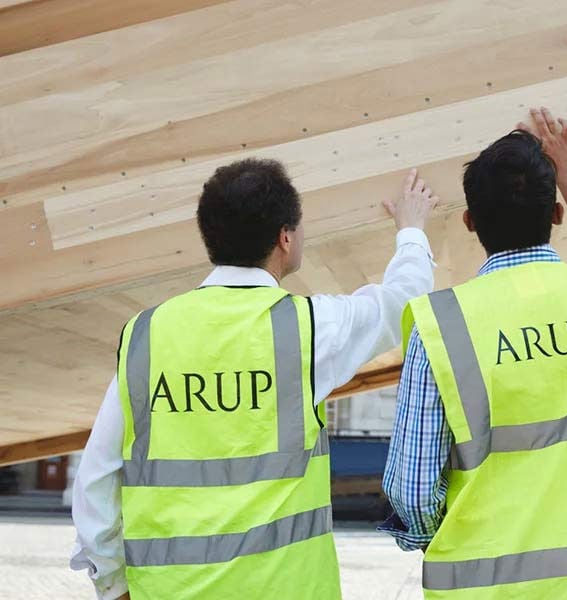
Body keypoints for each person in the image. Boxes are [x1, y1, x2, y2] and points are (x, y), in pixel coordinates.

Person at [70, 159, 439, 600]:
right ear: (286, 237)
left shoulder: (146, 336)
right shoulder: (308, 330)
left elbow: (96, 478)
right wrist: (411, 229)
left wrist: (112, 584)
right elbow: (405, 303)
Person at [381, 108, 567, 599]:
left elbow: (412, 490)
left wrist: (443, 537)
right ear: (556, 214)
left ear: (469, 221)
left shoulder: (443, 326)